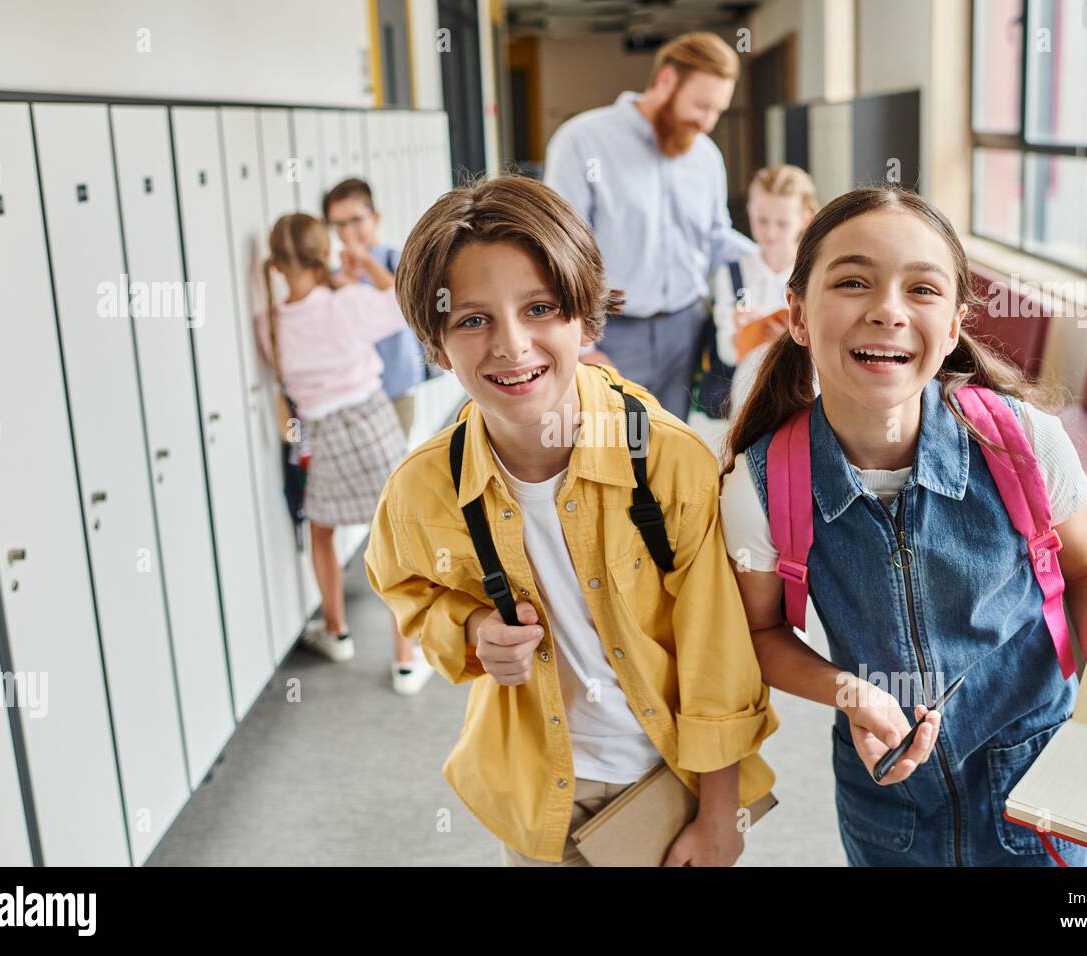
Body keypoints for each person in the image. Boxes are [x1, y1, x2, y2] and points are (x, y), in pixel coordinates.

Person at [365, 175, 777, 865]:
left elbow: (720, 652)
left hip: (670, 779)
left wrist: (718, 813)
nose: (512, 345)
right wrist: (471, 629)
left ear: (584, 317)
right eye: (472, 319)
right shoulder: (423, 488)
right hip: (539, 786)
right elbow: (407, 589)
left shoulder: (667, 462)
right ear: (436, 346)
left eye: (539, 308)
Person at [719, 186, 1087, 866]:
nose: (886, 310)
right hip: (886, 804)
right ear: (795, 313)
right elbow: (759, 633)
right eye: (853, 281)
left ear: (952, 326)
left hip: (1037, 785)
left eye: (922, 290)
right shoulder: (762, 485)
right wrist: (847, 692)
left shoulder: (1024, 444)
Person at [255, 213, 433, 694]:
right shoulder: (348, 304)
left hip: (323, 433)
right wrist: (365, 266)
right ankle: (404, 659)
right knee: (395, 537)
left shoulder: (267, 324)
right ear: (325, 254)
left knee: (321, 530)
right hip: (371, 420)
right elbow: (403, 303)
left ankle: (336, 632)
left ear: (273, 266)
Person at [544, 31, 755, 420]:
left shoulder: (705, 155)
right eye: (701, 105)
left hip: (686, 330)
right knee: (607, 449)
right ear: (666, 81)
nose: (708, 123)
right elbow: (561, 254)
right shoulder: (583, 141)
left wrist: (791, 263)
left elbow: (714, 238)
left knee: (670, 451)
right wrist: (583, 347)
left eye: (717, 111)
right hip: (611, 332)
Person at [323, 177, 427, 437]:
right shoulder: (336, 274)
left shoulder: (396, 259)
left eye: (355, 221)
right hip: (354, 398)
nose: (347, 233)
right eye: (339, 224)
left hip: (395, 390)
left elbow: (407, 305)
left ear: (375, 217)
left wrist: (367, 264)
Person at [712, 165, 819, 415]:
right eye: (762, 220)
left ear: (805, 219)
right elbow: (726, 353)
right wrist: (743, 334)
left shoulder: (815, 272)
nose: (770, 231)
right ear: (749, 210)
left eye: (782, 223)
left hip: (806, 394)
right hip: (748, 396)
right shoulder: (732, 273)